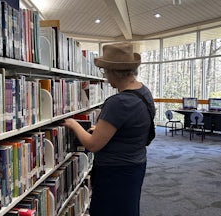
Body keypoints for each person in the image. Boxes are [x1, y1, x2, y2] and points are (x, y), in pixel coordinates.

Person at [62, 42, 155, 216]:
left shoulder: (118, 102)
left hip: (115, 172)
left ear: (114, 72)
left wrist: (73, 124)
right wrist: (104, 129)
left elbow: (92, 145)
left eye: (105, 71)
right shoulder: (144, 92)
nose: (105, 77)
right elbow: (133, 126)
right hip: (136, 165)